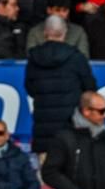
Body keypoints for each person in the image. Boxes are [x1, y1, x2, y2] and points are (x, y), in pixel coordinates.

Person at [26, 17, 97, 153]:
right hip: (71, 128)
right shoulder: (76, 57)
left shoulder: (34, 58)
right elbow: (89, 88)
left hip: (43, 129)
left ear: (45, 32)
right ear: (65, 32)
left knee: (45, 164)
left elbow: (30, 88)